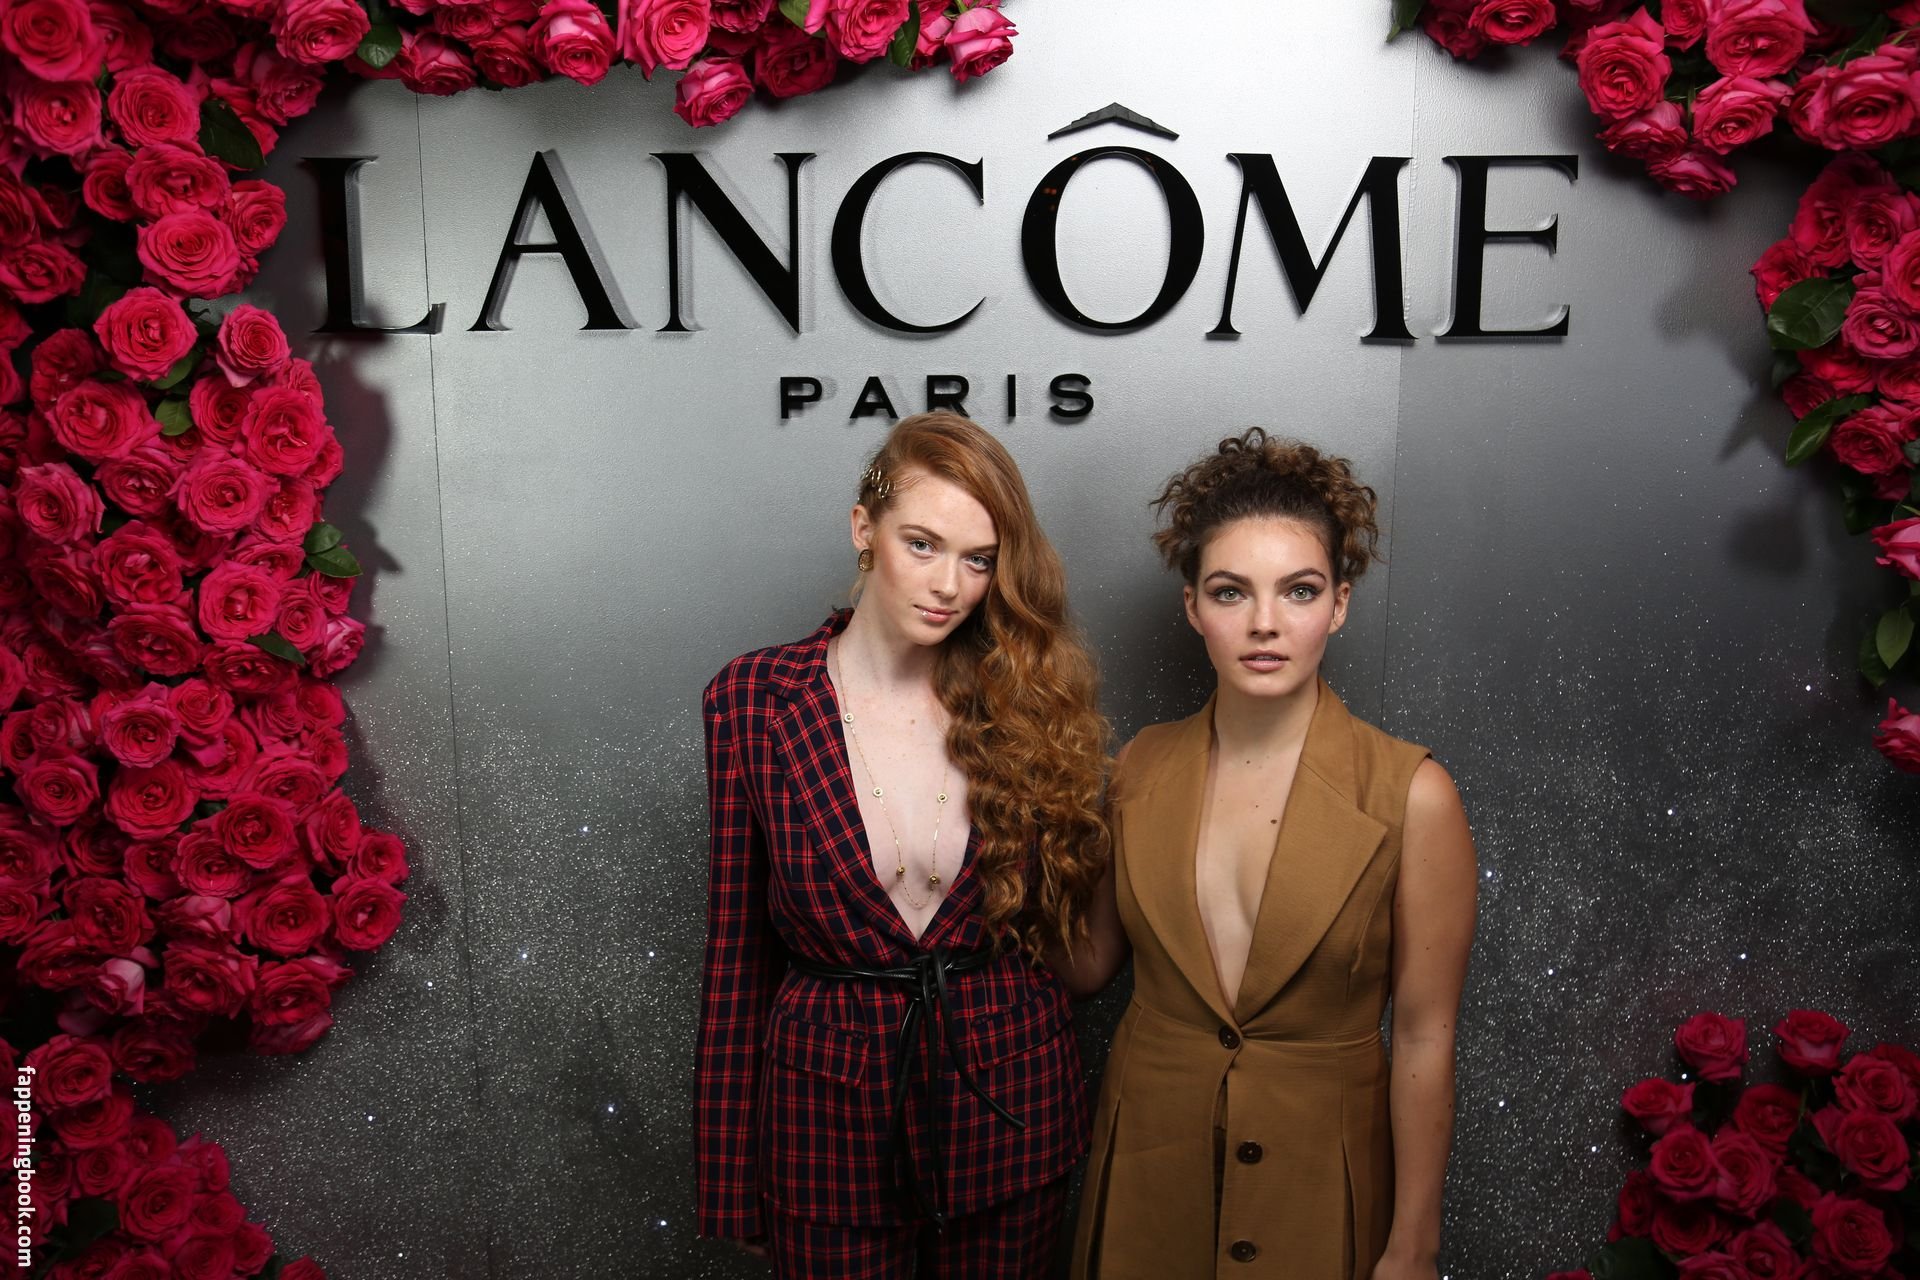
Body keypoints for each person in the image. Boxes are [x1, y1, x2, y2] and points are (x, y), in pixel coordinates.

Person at [694, 412, 1111, 1279]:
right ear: (864, 529)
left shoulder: (1026, 701)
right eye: (922, 545)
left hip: (1010, 1101)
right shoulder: (753, 700)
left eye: (979, 559)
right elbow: (737, 952)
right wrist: (731, 1179)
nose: (949, 585)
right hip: (825, 1117)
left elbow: (1066, 937)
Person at [1061, 429, 1479, 1280]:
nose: (1264, 623)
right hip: (1146, 1183)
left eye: (1299, 590)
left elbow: (1425, 1035)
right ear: (1192, 607)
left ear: (1340, 604)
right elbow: (1085, 964)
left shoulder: (1412, 793)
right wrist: (985, 823)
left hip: (1320, 1190)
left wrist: (1414, 1244)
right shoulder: (1138, 766)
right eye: (1230, 591)